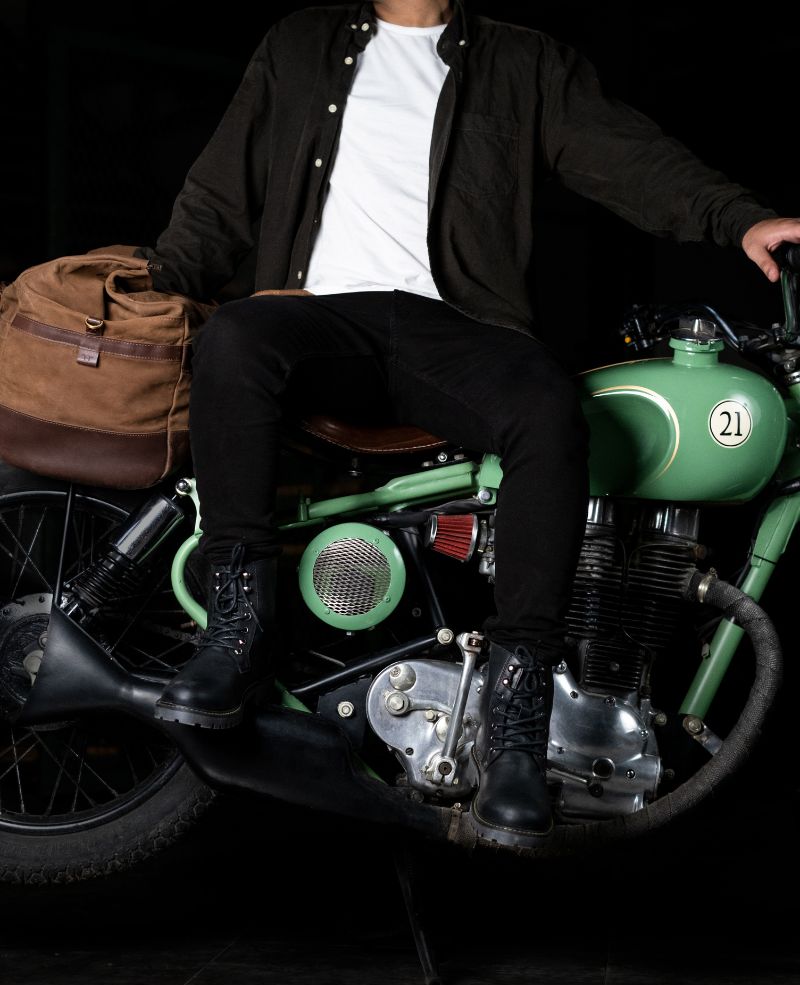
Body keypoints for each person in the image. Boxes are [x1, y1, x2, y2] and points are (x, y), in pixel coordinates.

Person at [138, 0, 800, 848]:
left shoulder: (524, 61)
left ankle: (516, 722)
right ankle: (242, 627)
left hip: (454, 329)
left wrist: (736, 216)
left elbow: (627, 157)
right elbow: (220, 191)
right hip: (312, 316)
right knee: (233, 337)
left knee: (548, 408)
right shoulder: (299, 45)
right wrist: (152, 292)